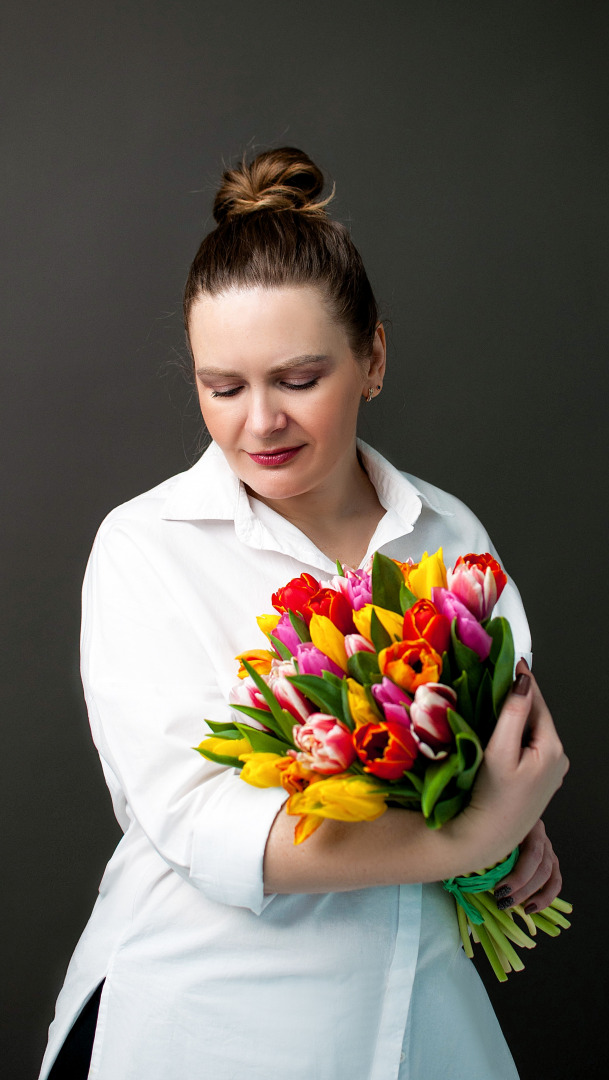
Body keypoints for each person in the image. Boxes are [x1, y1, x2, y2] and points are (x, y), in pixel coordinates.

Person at [39, 148, 568, 1080]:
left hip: (417, 1012)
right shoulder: (146, 546)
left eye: (297, 379)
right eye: (223, 387)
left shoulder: (447, 532)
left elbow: (498, 741)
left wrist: (515, 836)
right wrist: (472, 831)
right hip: (202, 1019)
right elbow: (203, 825)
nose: (259, 425)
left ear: (372, 358)